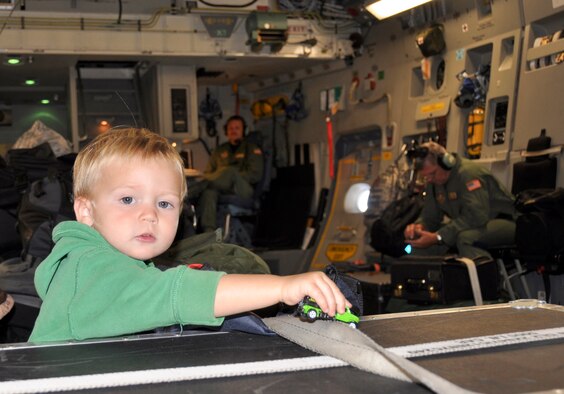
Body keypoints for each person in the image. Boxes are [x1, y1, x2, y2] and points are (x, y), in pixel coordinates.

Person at [29, 128, 349, 343]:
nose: (149, 214)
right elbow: (174, 293)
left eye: (164, 203)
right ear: (85, 211)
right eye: (128, 199)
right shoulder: (90, 266)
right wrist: (283, 286)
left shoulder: (100, 260)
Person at [404, 141, 516, 260]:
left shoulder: (468, 174)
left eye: (432, 173)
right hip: (471, 223)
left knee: (465, 238)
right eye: (426, 176)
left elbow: (476, 215)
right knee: (417, 245)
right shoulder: (434, 182)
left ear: (446, 162)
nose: (430, 179)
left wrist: (439, 236)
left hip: (503, 221)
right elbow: (430, 216)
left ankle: (484, 277)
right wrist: (418, 227)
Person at [197, 115, 264, 233]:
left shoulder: (252, 148)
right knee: (209, 192)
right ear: (226, 131)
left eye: (237, 128)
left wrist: (230, 177)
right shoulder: (219, 150)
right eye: (231, 128)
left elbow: (255, 175)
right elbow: (209, 173)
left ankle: (190, 191)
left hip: (243, 188)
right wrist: (222, 178)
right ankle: (209, 234)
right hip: (220, 188)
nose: (233, 131)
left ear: (244, 130)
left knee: (229, 171)